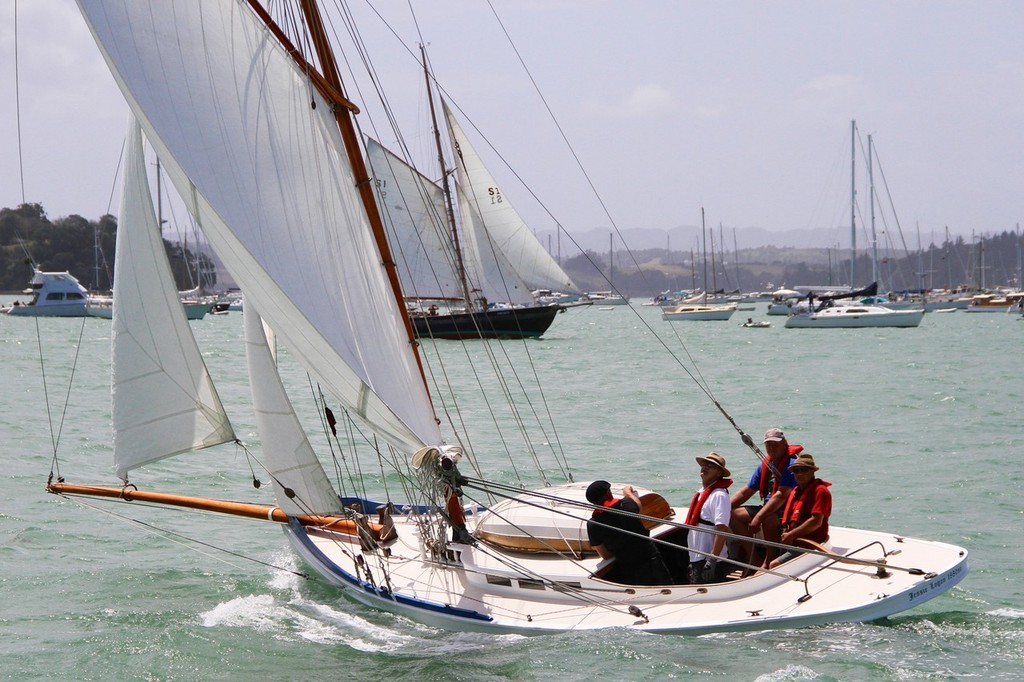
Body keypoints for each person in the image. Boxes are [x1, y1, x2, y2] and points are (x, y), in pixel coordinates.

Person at [729, 427, 804, 569]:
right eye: (768, 445)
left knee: (767, 517)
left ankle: (769, 559)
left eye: (776, 444)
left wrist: (758, 517)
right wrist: (723, 507)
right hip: (767, 508)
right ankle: (754, 558)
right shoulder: (765, 465)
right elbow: (747, 491)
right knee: (732, 514)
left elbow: (782, 495)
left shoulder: (792, 464)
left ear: (785, 443)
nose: (772, 448)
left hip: (786, 512)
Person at [585, 480, 671, 586]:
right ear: (608, 493)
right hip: (651, 558)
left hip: (629, 566)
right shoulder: (627, 504)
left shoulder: (593, 524)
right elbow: (638, 505)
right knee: (667, 587)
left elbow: (605, 555)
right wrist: (628, 493)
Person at [770, 454, 832, 567]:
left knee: (774, 565)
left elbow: (816, 521)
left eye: (804, 470)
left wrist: (791, 535)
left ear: (812, 472)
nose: (799, 474)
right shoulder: (796, 491)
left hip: (810, 545)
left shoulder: (820, 491)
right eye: (796, 471)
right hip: (792, 542)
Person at [686, 452, 733, 584]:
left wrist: (711, 560)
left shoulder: (719, 495)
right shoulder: (702, 492)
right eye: (704, 464)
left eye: (711, 465)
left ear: (719, 473)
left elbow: (722, 529)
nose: (705, 467)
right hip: (697, 558)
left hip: (710, 561)